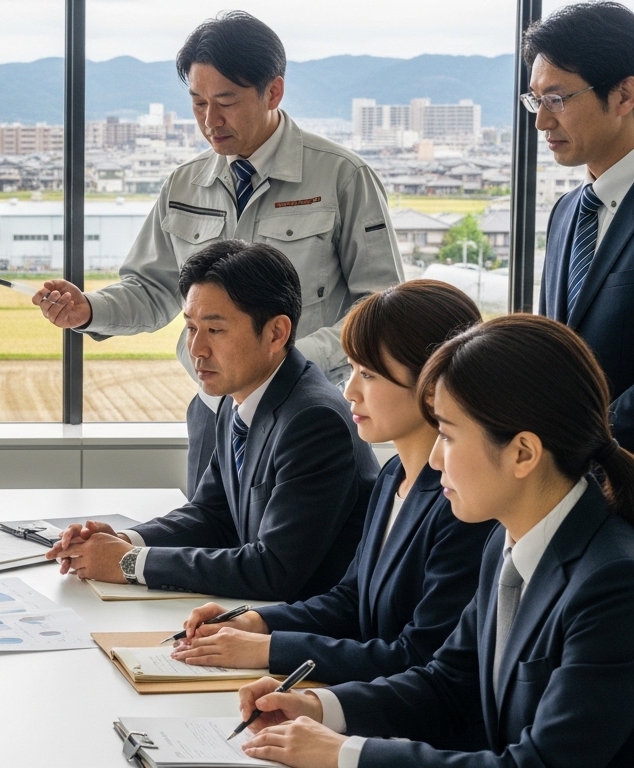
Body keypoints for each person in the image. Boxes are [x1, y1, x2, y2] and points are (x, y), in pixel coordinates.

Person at [234, 314, 634, 768]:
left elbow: (539, 764)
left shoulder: (613, 584)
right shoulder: (506, 543)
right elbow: (448, 683)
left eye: (447, 434)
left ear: (523, 453)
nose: (437, 459)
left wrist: (346, 753)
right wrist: (320, 707)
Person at [32, 11, 401, 495]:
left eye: (226, 101)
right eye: (198, 103)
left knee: (297, 542)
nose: (210, 121)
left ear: (273, 92)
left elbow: (380, 305)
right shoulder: (184, 184)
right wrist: (88, 309)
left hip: (306, 411)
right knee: (202, 536)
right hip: (214, 412)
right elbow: (152, 289)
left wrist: (291, 359)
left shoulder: (342, 177)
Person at [170, 282, 494, 705]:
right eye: (353, 370)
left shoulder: (462, 504)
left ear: (433, 385)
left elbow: (417, 656)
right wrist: (256, 622)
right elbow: (349, 599)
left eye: (368, 375)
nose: (349, 391)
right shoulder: (393, 475)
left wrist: (269, 650)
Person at [46, 240, 377, 601]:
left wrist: (130, 562)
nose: (196, 349)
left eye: (215, 330)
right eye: (191, 328)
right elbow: (212, 514)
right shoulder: (238, 398)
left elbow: (274, 570)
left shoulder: (314, 421)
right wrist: (124, 541)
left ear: (276, 333)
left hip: (307, 623)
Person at [529, 2, 634, 450]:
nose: (541, 120)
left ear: (624, 95)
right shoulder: (568, 210)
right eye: (536, 100)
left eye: (556, 99)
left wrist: (585, 438)